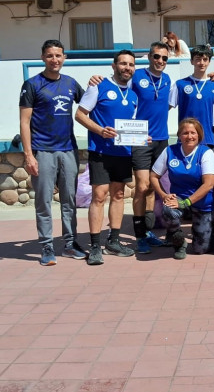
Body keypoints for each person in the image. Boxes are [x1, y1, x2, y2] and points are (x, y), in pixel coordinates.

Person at [19, 39, 86, 266]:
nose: (54, 60)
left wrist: (97, 84)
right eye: (50, 56)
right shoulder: (32, 85)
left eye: (58, 55)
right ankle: (47, 246)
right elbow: (24, 122)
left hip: (68, 150)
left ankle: (69, 244)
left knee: (69, 201)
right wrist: (29, 155)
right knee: (44, 202)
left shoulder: (70, 83)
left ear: (64, 58)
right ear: (42, 58)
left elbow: (89, 105)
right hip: (43, 151)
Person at [75, 50, 140, 265]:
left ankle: (113, 241)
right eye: (123, 63)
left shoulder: (132, 94)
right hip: (100, 152)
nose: (127, 68)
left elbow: (130, 127)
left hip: (122, 153)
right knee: (99, 196)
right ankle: (95, 246)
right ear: (114, 66)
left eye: (131, 64)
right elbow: (80, 114)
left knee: (119, 195)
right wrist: (100, 130)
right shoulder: (98, 86)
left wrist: (142, 137)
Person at [129, 41, 175, 254]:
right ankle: (139, 235)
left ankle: (147, 233)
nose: (160, 61)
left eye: (164, 58)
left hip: (161, 139)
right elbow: (118, 88)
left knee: (151, 187)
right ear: (149, 57)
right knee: (141, 185)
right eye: (156, 57)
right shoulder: (136, 75)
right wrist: (97, 79)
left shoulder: (167, 80)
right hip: (140, 138)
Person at [150, 118, 214, 259]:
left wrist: (186, 202)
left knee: (200, 249)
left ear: (199, 135)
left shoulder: (206, 153)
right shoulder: (170, 151)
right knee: (168, 209)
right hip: (179, 200)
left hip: (202, 203)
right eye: (185, 133)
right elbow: (153, 176)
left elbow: (208, 184)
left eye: (193, 133)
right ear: (179, 135)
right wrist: (163, 195)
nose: (189, 136)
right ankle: (179, 243)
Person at [170, 45, 214, 147]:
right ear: (191, 61)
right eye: (198, 59)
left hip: (207, 139)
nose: (202, 63)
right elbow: (165, 108)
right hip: (186, 139)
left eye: (205, 59)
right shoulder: (180, 84)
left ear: (209, 62)